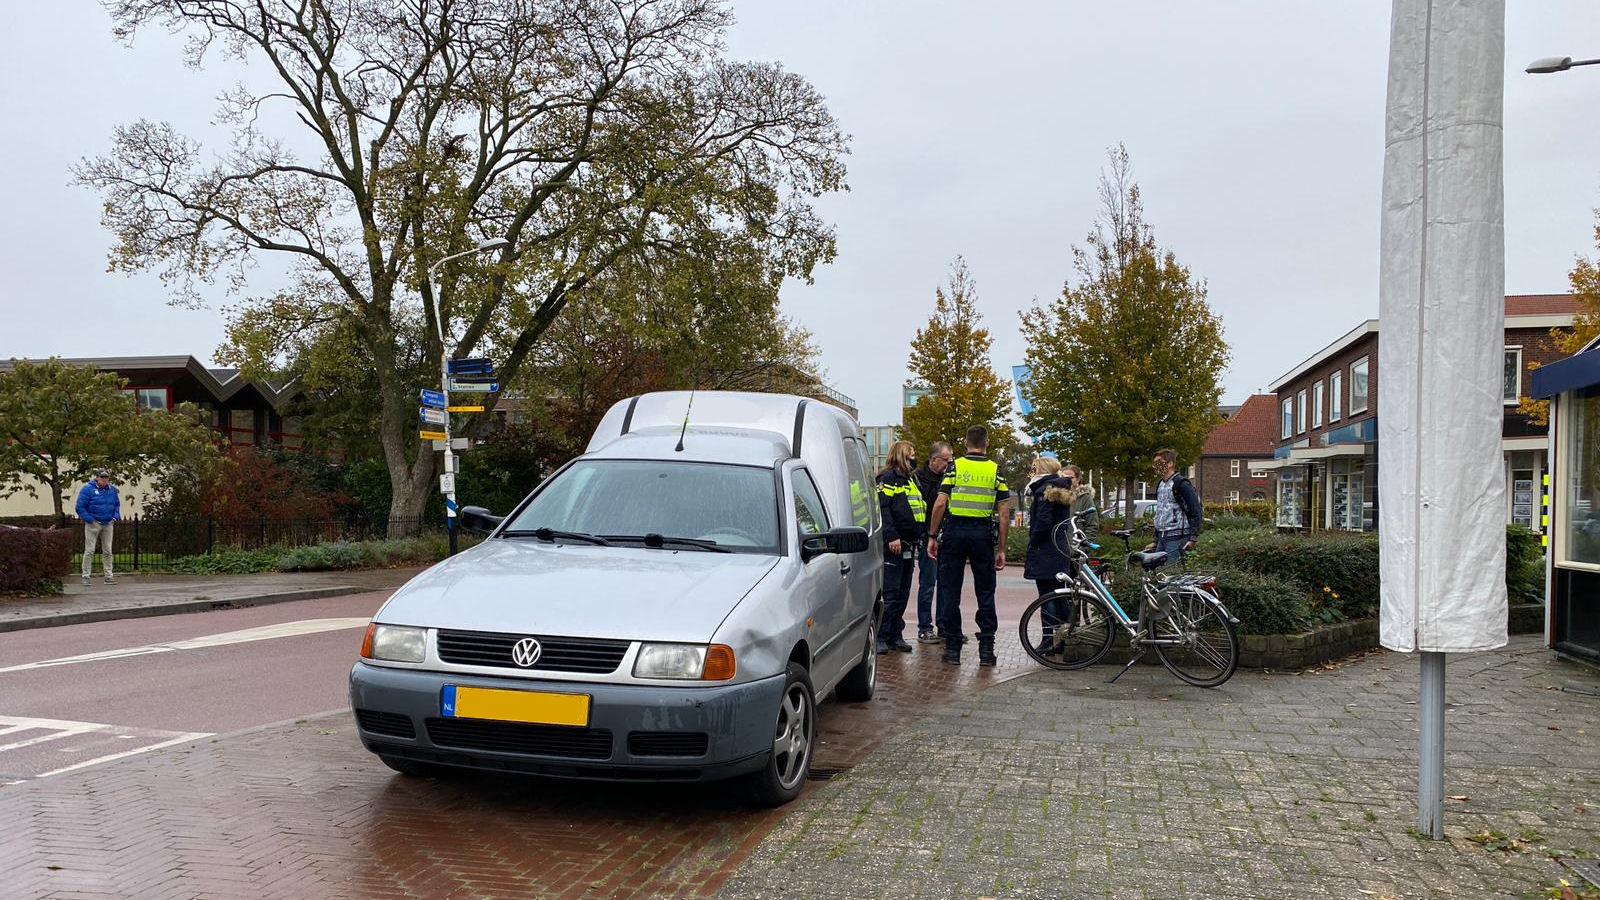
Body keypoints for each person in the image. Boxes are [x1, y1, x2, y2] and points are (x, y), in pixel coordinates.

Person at [925, 425, 1010, 667]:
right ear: (987, 443)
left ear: (965, 443)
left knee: (950, 591)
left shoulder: (955, 466)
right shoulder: (996, 470)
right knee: (985, 592)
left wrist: (932, 535)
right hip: (982, 534)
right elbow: (1004, 514)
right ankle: (986, 649)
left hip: (954, 533)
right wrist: (1002, 549)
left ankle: (952, 649)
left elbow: (941, 503)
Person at [1023, 462, 1098, 645]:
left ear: (1042, 470)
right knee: (1060, 595)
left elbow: (1043, 521)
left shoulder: (1045, 490)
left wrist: (1033, 540)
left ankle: (1048, 640)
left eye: (1035, 468)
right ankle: (1062, 638)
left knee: (1047, 596)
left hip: (1047, 549)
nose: (1032, 472)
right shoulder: (1059, 490)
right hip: (1060, 548)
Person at [874, 441, 925, 654]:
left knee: (903, 592)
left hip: (908, 543)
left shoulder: (910, 479)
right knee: (890, 592)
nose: (914, 458)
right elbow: (883, 508)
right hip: (893, 545)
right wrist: (891, 536)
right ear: (903, 455)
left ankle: (896, 634)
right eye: (911, 454)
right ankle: (881, 636)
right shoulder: (887, 478)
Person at [912, 441, 953, 644]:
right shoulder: (918, 479)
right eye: (945, 460)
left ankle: (945, 626)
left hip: (946, 536)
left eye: (950, 460)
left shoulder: (950, 478)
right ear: (933, 459)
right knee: (928, 583)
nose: (948, 464)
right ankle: (925, 627)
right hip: (927, 535)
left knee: (946, 584)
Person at [1145, 449, 1202, 566]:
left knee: (1169, 572)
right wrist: (1156, 540)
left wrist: (1192, 537)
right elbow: (1160, 512)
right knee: (1159, 572)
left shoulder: (1181, 484)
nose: (1155, 467)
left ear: (1170, 463)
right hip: (1162, 537)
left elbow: (1195, 509)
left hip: (1177, 537)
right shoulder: (1160, 485)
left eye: (1158, 463)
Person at [75, 469, 121, 586]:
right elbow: (80, 507)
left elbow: (117, 505)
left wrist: (115, 517)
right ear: (97, 477)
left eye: (106, 477)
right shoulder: (87, 489)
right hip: (93, 523)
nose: (104, 479)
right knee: (89, 550)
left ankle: (109, 576)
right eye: (102, 477)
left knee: (108, 551)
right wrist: (90, 519)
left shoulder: (112, 490)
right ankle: (86, 576)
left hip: (108, 523)